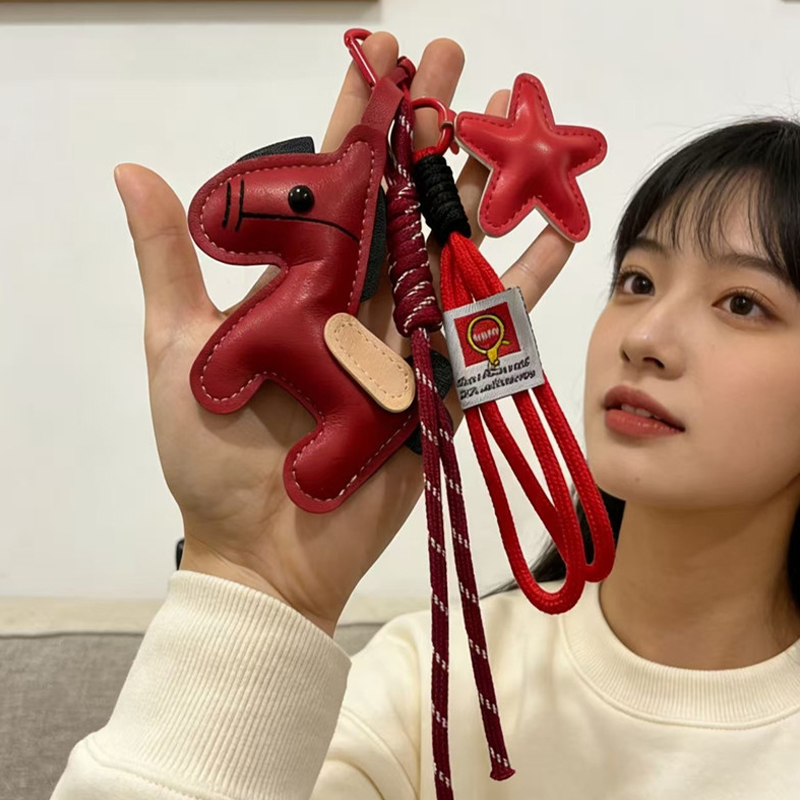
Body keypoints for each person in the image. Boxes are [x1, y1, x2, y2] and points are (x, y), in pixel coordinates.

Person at [50, 30, 800, 800]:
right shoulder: (426, 689)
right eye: (638, 282)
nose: (645, 339)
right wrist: (254, 586)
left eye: (744, 303)